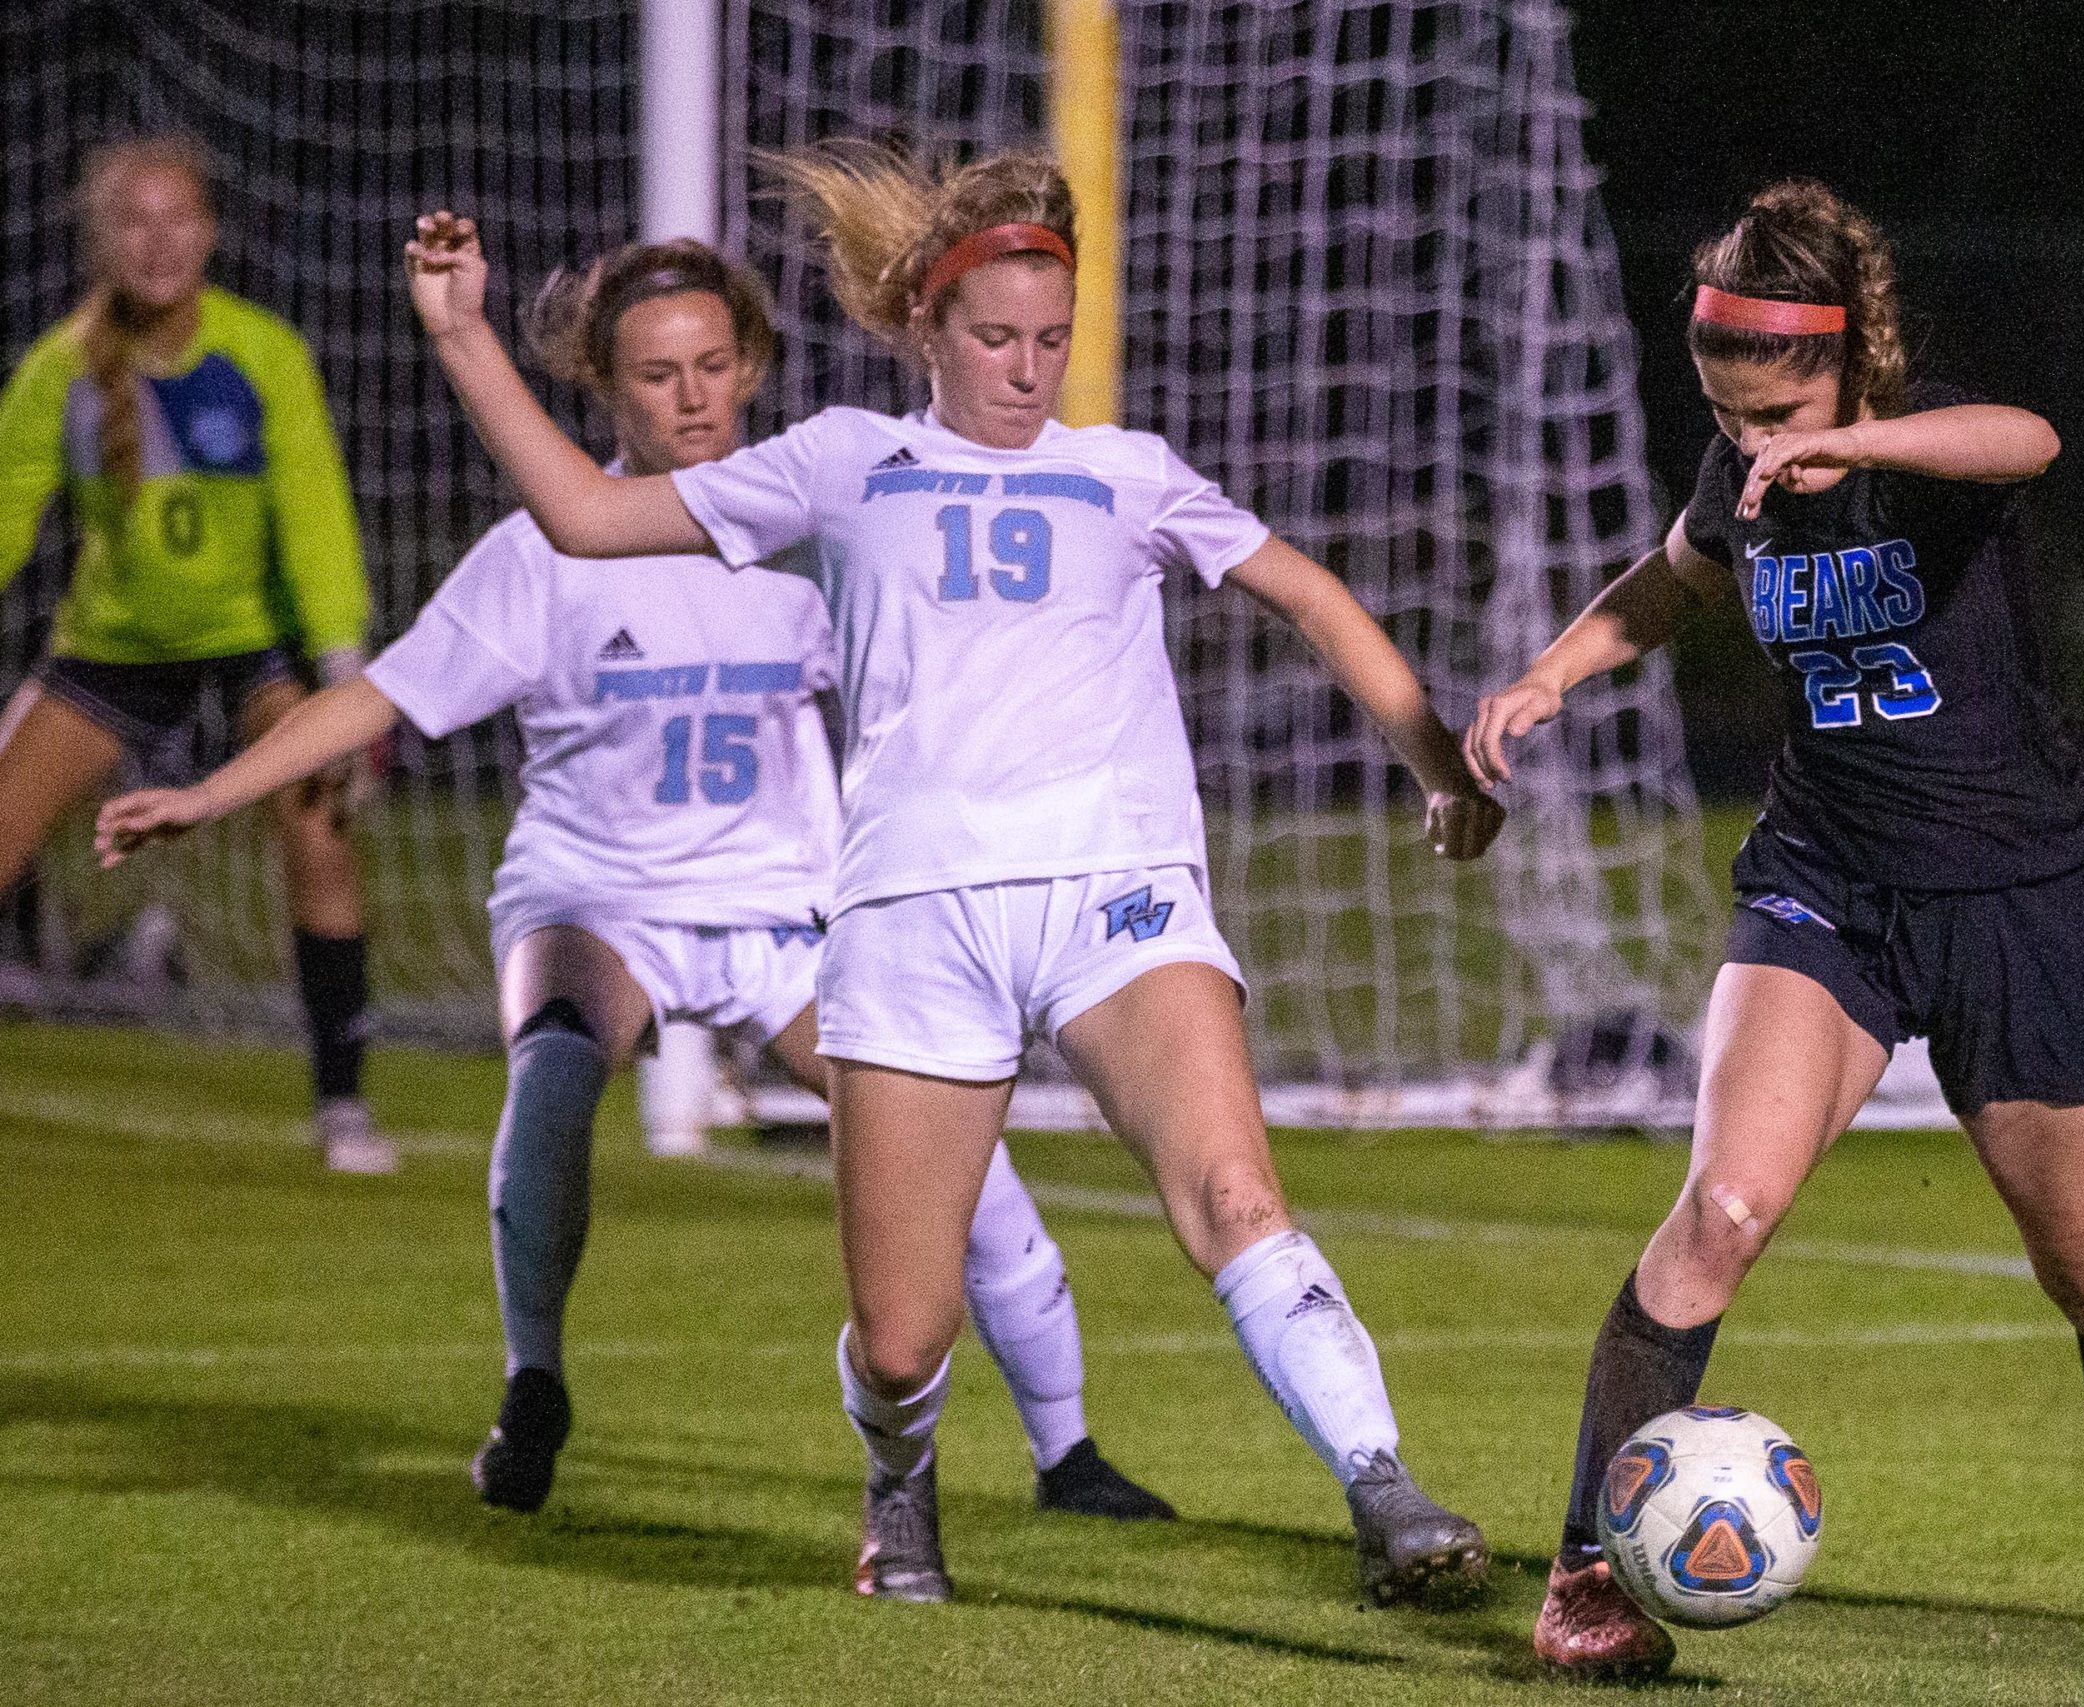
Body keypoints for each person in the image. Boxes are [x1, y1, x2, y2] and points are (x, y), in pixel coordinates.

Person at [388, 141, 1508, 1606]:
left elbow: (1308, 590)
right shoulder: (845, 461)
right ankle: (900, 1479)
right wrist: (464, 332)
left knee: (1236, 1190)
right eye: (994, 338)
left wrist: (1435, 762)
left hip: (1118, 893)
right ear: (925, 324)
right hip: (914, 918)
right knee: (906, 1336)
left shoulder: (1126, 476)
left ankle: (1386, 1486)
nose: (1027, 369)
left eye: (1051, 338)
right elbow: (587, 519)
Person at [98, 236, 1173, 1528]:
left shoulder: (822, 532)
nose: (693, 394)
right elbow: (385, 692)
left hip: (786, 910)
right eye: (657, 373)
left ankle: (1070, 1451)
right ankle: (533, 1381)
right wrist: (209, 792)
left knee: (963, 1161)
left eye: (716, 363)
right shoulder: (545, 553)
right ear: (601, 384)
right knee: (554, 1063)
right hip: (596, 895)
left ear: (753, 365)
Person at [1467, 180, 2084, 1679]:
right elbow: (1674, 577)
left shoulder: (1928, 451)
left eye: (1777, 401)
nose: (1749, 434)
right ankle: (1586, 1570)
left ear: (1849, 363)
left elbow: (2029, 440)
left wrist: (1844, 442)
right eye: (1723, 407)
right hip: (1827, 886)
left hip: (2019, 894)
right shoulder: (1742, 469)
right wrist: (1551, 673)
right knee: (1721, 1208)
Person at [0, 134, 387, 1172]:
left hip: (251, 650)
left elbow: (314, 518)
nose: (160, 243)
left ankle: (343, 1106)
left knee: (322, 836)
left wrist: (344, 672)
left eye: (179, 219)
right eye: (136, 221)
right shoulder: (58, 374)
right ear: (103, 240)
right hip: (110, 653)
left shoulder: (262, 355)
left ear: (209, 231)